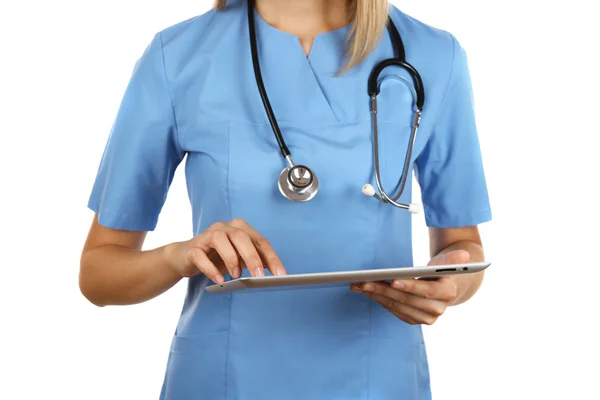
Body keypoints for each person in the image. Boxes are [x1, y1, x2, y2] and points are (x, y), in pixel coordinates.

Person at [79, 0, 492, 398]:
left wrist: (450, 283)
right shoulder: (177, 57)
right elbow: (99, 274)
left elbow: (463, 248)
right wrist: (179, 256)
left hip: (377, 378)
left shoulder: (435, 56)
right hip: (225, 379)